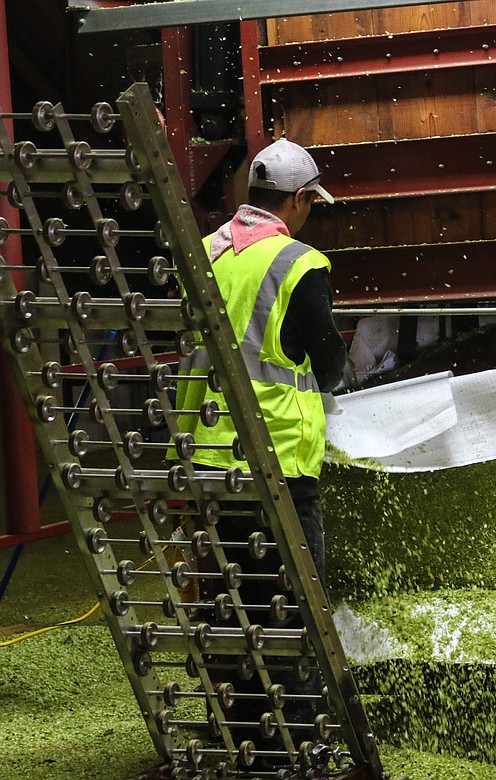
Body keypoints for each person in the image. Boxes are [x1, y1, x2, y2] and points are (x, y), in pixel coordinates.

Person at [173, 137, 346, 761]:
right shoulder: (300, 264)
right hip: (280, 467)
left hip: (212, 462)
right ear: (297, 200)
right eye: (311, 205)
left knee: (232, 604)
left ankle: (243, 736)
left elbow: (192, 355)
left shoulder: (207, 252)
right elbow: (328, 364)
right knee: (293, 610)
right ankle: (302, 745)